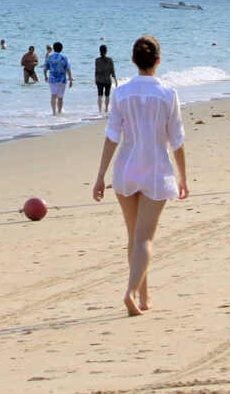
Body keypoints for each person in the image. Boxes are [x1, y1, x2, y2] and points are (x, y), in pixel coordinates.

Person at [92, 36, 188, 316]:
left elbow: (112, 137)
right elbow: (177, 140)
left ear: (134, 60)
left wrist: (100, 175)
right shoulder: (168, 94)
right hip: (156, 170)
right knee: (144, 239)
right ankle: (132, 292)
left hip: (126, 168)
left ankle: (143, 297)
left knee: (134, 238)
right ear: (158, 60)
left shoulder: (121, 93)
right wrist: (183, 177)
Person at [43, 42, 73, 115]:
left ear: (54, 48)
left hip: (52, 79)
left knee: (53, 95)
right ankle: (59, 111)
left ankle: (54, 112)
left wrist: (45, 76)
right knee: (60, 97)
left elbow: (45, 68)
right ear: (61, 49)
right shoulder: (64, 57)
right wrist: (70, 79)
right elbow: (68, 69)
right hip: (62, 79)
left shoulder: (50, 57)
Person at [95, 45, 118, 113]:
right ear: (106, 51)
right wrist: (115, 80)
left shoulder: (97, 60)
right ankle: (106, 109)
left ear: (100, 51)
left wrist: (95, 79)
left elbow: (96, 71)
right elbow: (112, 71)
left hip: (99, 80)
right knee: (107, 95)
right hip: (107, 80)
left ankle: (99, 110)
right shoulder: (110, 60)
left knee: (100, 95)